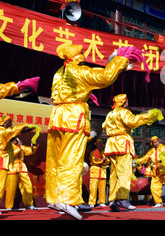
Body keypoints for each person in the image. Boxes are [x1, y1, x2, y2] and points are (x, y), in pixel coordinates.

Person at [46, 44, 142, 220]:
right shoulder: (79, 71)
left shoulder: (60, 72)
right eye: (82, 52)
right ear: (78, 56)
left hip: (57, 116)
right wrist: (121, 59)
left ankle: (56, 196)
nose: (83, 54)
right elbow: (105, 77)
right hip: (73, 118)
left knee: (57, 160)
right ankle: (66, 200)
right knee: (71, 160)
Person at [103, 94, 162, 212]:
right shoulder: (123, 112)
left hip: (111, 144)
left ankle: (113, 199)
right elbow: (133, 121)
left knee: (114, 173)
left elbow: (104, 126)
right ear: (123, 102)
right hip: (122, 143)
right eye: (127, 101)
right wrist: (148, 116)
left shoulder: (110, 114)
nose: (128, 103)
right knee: (124, 171)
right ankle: (123, 198)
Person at [0, 116, 34, 214]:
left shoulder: (4, 135)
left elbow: (28, 150)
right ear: (5, 123)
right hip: (0, 161)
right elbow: (12, 131)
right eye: (10, 122)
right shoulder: (1, 132)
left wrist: (32, 144)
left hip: (8, 163)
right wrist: (25, 125)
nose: (11, 124)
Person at [4, 138, 38, 210]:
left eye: (17, 139)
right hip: (12, 167)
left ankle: (29, 204)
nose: (17, 141)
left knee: (27, 186)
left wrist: (34, 145)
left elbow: (30, 151)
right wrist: (18, 147)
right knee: (11, 188)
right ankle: (9, 206)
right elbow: (11, 155)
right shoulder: (8, 147)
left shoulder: (21, 147)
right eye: (15, 140)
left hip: (22, 167)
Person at [88, 139, 109, 208]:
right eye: (99, 143)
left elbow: (107, 161)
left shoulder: (104, 153)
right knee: (93, 188)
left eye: (101, 143)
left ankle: (102, 202)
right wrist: (102, 161)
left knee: (102, 188)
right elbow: (94, 161)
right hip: (95, 170)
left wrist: (104, 161)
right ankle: (92, 202)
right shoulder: (93, 152)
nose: (100, 145)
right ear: (96, 145)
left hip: (102, 171)